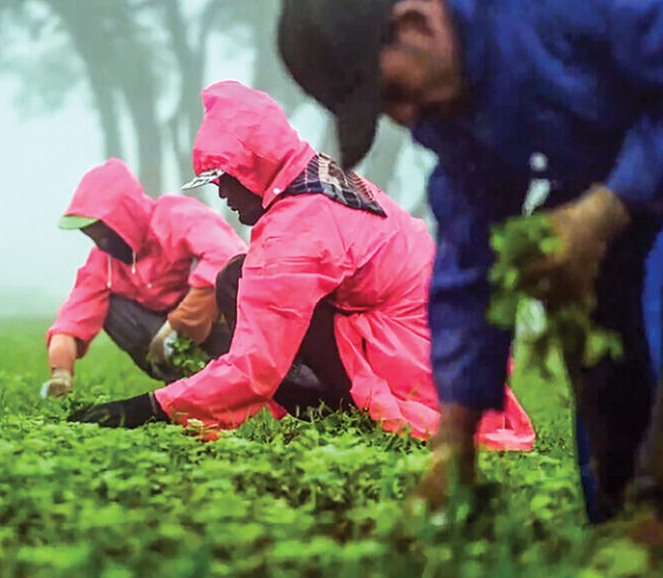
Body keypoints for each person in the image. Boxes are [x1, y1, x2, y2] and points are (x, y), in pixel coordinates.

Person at [277, 0, 663, 519]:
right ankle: (624, 519)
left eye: (393, 93)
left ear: (416, 22)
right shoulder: (454, 101)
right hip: (618, 187)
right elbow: (469, 258)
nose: (407, 118)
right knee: (582, 297)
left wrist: (606, 208)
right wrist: (453, 441)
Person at [70, 80, 535, 452]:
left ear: (255, 166)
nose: (223, 196)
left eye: (228, 179)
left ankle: (336, 411)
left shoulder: (294, 232)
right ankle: (315, 401)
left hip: (422, 367)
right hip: (450, 349)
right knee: (242, 276)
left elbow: (257, 367)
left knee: (236, 277)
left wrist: (147, 408)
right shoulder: (318, 180)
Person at [43, 158, 247, 396]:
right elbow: (75, 314)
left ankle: (235, 375)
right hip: (168, 338)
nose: (101, 244)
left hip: (222, 327)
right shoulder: (105, 260)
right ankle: (184, 384)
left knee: (224, 281)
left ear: (123, 219)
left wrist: (179, 323)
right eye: (94, 238)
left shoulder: (179, 216)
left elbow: (228, 257)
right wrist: (61, 371)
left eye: (105, 234)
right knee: (111, 307)